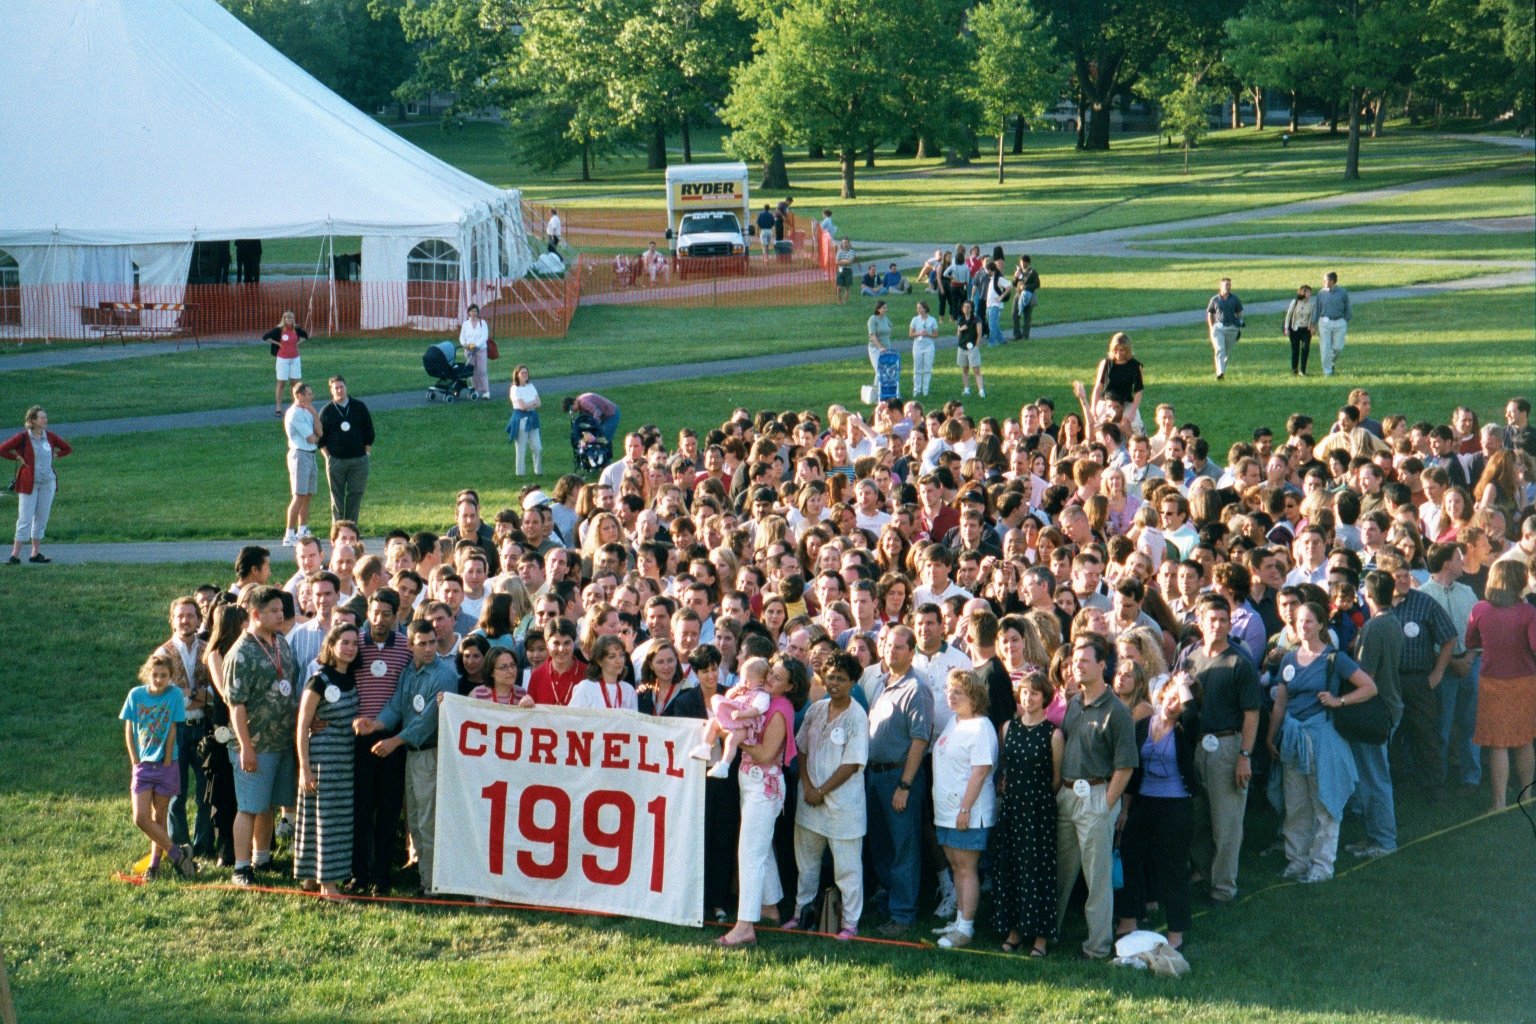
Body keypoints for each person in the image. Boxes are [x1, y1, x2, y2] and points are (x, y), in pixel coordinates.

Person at [1269, 601, 1376, 883]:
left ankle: (1322, 865)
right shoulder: (1289, 660)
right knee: (1295, 802)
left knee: (1324, 801)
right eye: (1299, 621)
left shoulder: (1333, 658)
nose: (1302, 627)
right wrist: (1272, 736)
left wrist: (1339, 701)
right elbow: (1280, 703)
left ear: (1320, 625)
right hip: (1293, 738)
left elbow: (1369, 687)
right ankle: (1297, 859)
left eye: (1308, 621)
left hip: (1321, 737)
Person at [353, 620, 456, 896]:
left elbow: (429, 720)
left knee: (428, 820)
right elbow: (396, 705)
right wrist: (376, 725)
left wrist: (395, 740)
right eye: (422, 643)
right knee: (416, 821)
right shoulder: (409, 672)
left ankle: (435, 885)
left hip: (431, 752)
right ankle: (426, 881)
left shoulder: (444, 675)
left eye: (432, 642)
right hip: (412, 755)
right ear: (409, 645)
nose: (428, 648)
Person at [1054, 633, 1138, 960]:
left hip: (1097, 796)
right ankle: (1050, 934)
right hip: (1068, 795)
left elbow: (1126, 765)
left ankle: (1097, 946)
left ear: (1102, 665)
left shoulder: (1116, 711)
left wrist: (1106, 807)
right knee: (1061, 872)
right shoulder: (1073, 702)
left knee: (1097, 879)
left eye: (1085, 661)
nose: (1078, 666)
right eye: (1075, 661)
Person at [717, 654, 805, 947]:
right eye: (770, 673)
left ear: (790, 687)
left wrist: (735, 738)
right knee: (762, 848)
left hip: (764, 785)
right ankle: (769, 907)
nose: (769, 679)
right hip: (750, 780)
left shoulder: (781, 709)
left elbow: (767, 754)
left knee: (750, 853)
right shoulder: (761, 699)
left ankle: (744, 925)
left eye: (777, 678)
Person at [785, 650, 868, 940]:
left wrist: (821, 790)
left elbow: (852, 764)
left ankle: (849, 923)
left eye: (841, 679)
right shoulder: (816, 709)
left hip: (843, 806)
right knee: (806, 866)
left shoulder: (857, 716)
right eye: (830, 677)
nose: (834, 684)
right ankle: (800, 915)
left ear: (853, 682)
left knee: (847, 870)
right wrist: (808, 787)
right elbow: (802, 749)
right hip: (809, 801)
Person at [222, 586, 300, 888]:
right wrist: (245, 747)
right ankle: (241, 868)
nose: (280, 616)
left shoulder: (281, 642)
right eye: (273, 611)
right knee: (250, 806)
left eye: (281, 610)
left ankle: (262, 857)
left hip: (281, 741)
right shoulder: (241, 652)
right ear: (256, 614)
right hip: (255, 744)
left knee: (267, 804)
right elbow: (236, 706)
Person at [1115, 675, 1198, 950]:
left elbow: (1194, 715)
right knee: (1130, 858)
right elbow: (1132, 770)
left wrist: (1183, 685)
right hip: (1143, 802)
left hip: (1175, 806)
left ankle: (1176, 934)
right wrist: (1125, 809)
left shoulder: (1185, 729)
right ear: (1161, 694)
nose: (1173, 703)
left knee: (1173, 869)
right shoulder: (1141, 727)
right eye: (1169, 696)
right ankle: (1128, 920)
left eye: (1179, 699)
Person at [994, 671, 1062, 957]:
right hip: (1012, 809)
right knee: (1011, 868)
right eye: (1024, 692)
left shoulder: (1054, 733)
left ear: (1044, 698)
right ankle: (1015, 929)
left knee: (1038, 870)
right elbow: (1004, 767)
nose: (1028, 697)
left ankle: (1040, 937)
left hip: (1038, 810)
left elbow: (1056, 778)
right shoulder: (1008, 728)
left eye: (1034, 693)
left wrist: (1037, 798)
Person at [931, 669, 997, 949]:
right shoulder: (953, 722)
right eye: (949, 690)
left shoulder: (981, 726)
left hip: (967, 812)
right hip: (946, 810)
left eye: (958, 691)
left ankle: (966, 929)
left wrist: (965, 809)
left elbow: (980, 771)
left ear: (974, 695)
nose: (951, 695)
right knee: (956, 867)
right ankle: (958, 921)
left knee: (967, 869)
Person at [294, 623, 361, 898]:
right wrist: (304, 769)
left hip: (345, 761)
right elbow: (302, 725)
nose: (349, 648)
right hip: (322, 760)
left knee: (335, 821)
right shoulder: (319, 680)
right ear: (331, 645)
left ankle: (311, 876)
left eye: (354, 643)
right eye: (344, 642)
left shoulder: (354, 677)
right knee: (323, 820)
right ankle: (328, 885)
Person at [1466, 560, 1536, 811]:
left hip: (1492, 680)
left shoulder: (1480, 609)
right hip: (1524, 680)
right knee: (1525, 739)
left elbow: (1470, 640)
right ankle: (1528, 796)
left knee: (1498, 743)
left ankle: (1499, 802)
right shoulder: (1528, 612)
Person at [122, 652, 198, 879]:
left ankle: (154, 865)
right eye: (155, 675)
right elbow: (129, 729)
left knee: (160, 816)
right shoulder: (136, 695)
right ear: (147, 675)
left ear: (170, 677)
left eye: (164, 675)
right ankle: (178, 854)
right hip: (143, 766)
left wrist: (167, 759)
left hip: (166, 764)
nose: (159, 680)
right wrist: (135, 759)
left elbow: (174, 729)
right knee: (140, 817)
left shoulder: (174, 695)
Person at [3, 405, 71, 564]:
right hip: (29, 484)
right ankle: (15, 555)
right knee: (25, 519)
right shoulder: (23, 438)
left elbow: (68, 448)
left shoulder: (50, 437)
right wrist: (17, 458)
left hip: (48, 483)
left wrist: (57, 454)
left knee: (41, 518)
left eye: (45, 417)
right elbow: (2, 449)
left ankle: (35, 554)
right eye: (41, 418)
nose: (45, 420)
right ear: (32, 421)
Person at [694, 656, 772, 778]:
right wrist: (736, 689)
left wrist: (742, 714)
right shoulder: (743, 690)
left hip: (747, 725)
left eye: (747, 680)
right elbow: (728, 697)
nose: (744, 683)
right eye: (742, 679)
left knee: (732, 740)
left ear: (761, 681)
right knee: (712, 722)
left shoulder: (762, 695)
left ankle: (724, 765)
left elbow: (757, 709)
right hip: (734, 719)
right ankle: (706, 747)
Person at [317, 376, 374, 528]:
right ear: (331, 390)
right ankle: (337, 531)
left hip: (359, 461)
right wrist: (329, 457)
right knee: (337, 498)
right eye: (336, 388)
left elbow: (369, 433)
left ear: (346, 387)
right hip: (336, 461)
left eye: (341, 387)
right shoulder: (327, 411)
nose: (339, 390)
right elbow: (321, 439)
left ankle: (351, 529)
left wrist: (366, 454)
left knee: (356, 494)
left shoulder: (359, 407)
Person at [282, 382, 320, 547]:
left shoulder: (307, 411)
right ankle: (289, 534)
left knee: (307, 494)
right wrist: (318, 438)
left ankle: (302, 530)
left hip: (310, 455)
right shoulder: (294, 414)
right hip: (300, 455)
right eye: (309, 394)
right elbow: (312, 438)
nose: (312, 397)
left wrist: (314, 413)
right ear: (299, 395)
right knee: (298, 495)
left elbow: (320, 431)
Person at [568, 634, 638, 711]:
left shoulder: (629, 690)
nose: (619, 661)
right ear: (599, 661)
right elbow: (572, 719)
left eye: (621, 655)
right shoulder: (586, 688)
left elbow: (634, 721)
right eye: (612, 656)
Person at [263, 311, 307, 416]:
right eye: (287, 317)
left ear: (293, 319)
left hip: (295, 359)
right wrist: (278, 343)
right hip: (283, 359)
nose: (289, 319)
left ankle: (296, 405)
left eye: (291, 317)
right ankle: (278, 408)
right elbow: (266, 337)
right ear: (284, 318)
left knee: (295, 384)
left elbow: (305, 336)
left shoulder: (296, 329)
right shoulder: (279, 330)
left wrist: (298, 343)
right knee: (281, 383)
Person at [507, 364, 543, 476]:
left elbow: (539, 403)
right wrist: (532, 404)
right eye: (522, 373)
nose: (524, 375)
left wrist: (530, 404)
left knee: (538, 447)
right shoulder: (515, 389)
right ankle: (520, 473)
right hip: (521, 418)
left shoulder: (530, 386)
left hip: (532, 418)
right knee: (521, 448)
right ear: (517, 375)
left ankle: (538, 471)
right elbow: (522, 406)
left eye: (526, 373)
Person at [1205, 277, 1243, 381]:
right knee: (1220, 350)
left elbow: (1239, 313)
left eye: (1230, 285)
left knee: (1226, 352)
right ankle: (1220, 373)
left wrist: (1239, 325)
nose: (1228, 287)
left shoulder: (1235, 299)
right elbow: (1210, 314)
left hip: (1231, 328)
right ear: (1221, 286)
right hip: (1219, 328)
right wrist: (1212, 327)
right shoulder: (1215, 300)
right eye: (1226, 285)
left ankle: (1222, 370)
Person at [1315, 271, 1352, 377]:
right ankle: (1327, 372)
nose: (1326, 282)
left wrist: (1346, 318)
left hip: (1339, 321)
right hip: (1324, 322)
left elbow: (1347, 306)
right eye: (1324, 280)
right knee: (1325, 347)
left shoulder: (1342, 292)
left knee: (1338, 347)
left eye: (1328, 280)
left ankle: (1330, 363)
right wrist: (1313, 323)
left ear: (1334, 281)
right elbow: (1317, 308)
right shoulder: (1321, 293)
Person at [1282, 284, 1317, 377]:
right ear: (1303, 292)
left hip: (1306, 330)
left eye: (1310, 292)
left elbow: (1312, 318)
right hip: (1294, 329)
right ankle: (1294, 369)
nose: (1309, 294)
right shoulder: (1295, 302)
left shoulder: (1311, 305)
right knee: (1295, 350)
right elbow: (1288, 315)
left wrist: (1312, 328)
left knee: (1305, 349)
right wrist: (1286, 328)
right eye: (1308, 292)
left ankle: (1303, 370)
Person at [459, 303, 490, 400]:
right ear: (468, 312)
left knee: (482, 370)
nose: (474, 313)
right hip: (468, 350)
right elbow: (462, 337)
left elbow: (485, 336)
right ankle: (475, 390)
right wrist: (464, 344)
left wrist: (477, 345)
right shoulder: (465, 324)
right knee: (472, 371)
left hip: (480, 349)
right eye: (472, 311)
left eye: (475, 311)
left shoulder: (482, 323)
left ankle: (486, 391)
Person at [909, 301, 938, 399]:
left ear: (925, 309)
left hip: (929, 346)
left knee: (927, 368)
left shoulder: (932, 320)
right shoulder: (915, 320)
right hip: (917, 346)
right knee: (917, 368)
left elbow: (935, 335)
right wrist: (918, 333)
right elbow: (911, 334)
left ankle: (925, 389)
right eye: (917, 308)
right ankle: (916, 389)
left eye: (920, 308)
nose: (918, 310)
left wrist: (928, 334)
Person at [955, 299, 983, 398]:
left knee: (976, 369)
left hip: (972, 347)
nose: (966, 309)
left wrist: (976, 346)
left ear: (971, 309)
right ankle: (966, 389)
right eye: (965, 307)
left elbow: (979, 334)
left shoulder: (976, 319)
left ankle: (981, 391)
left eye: (968, 307)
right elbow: (958, 335)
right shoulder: (961, 319)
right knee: (964, 370)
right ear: (962, 309)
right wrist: (961, 329)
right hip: (962, 347)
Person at [867, 300, 893, 395]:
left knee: (886, 370)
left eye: (886, 307)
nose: (885, 310)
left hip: (887, 348)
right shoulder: (873, 319)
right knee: (879, 370)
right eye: (883, 308)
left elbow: (890, 328)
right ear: (878, 309)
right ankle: (876, 392)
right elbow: (872, 335)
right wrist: (880, 347)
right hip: (875, 348)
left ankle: (885, 391)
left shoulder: (885, 319)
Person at [1012, 256, 1040, 340]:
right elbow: (1014, 284)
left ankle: (1025, 335)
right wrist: (1016, 277)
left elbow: (1037, 285)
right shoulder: (1019, 271)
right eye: (1021, 262)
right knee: (1014, 314)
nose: (1022, 264)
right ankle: (1017, 334)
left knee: (1027, 316)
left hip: (1028, 296)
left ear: (1028, 263)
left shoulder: (1033, 272)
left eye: (1023, 262)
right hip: (1018, 295)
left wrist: (1026, 287)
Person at [835, 238, 857, 305]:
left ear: (849, 243)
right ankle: (839, 302)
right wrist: (845, 261)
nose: (845, 244)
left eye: (846, 242)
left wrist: (841, 261)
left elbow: (849, 261)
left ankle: (845, 302)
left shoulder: (852, 252)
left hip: (848, 270)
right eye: (843, 242)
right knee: (839, 287)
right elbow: (837, 262)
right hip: (840, 270)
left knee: (847, 288)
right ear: (842, 243)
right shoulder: (839, 252)